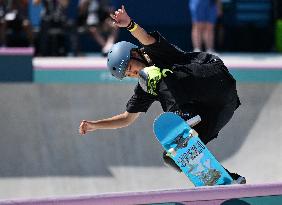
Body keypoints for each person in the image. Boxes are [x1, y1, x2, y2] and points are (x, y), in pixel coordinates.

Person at [79, 5, 246, 184]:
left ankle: (181, 117)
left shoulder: (154, 53)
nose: (133, 74)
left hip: (212, 77)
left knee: (153, 75)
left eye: (130, 68)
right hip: (220, 109)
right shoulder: (145, 86)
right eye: (128, 75)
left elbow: (146, 38)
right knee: (175, 155)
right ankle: (226, 180)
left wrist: (129, 25)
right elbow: (127, 118)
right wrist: (95, 125)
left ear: (135, 53)